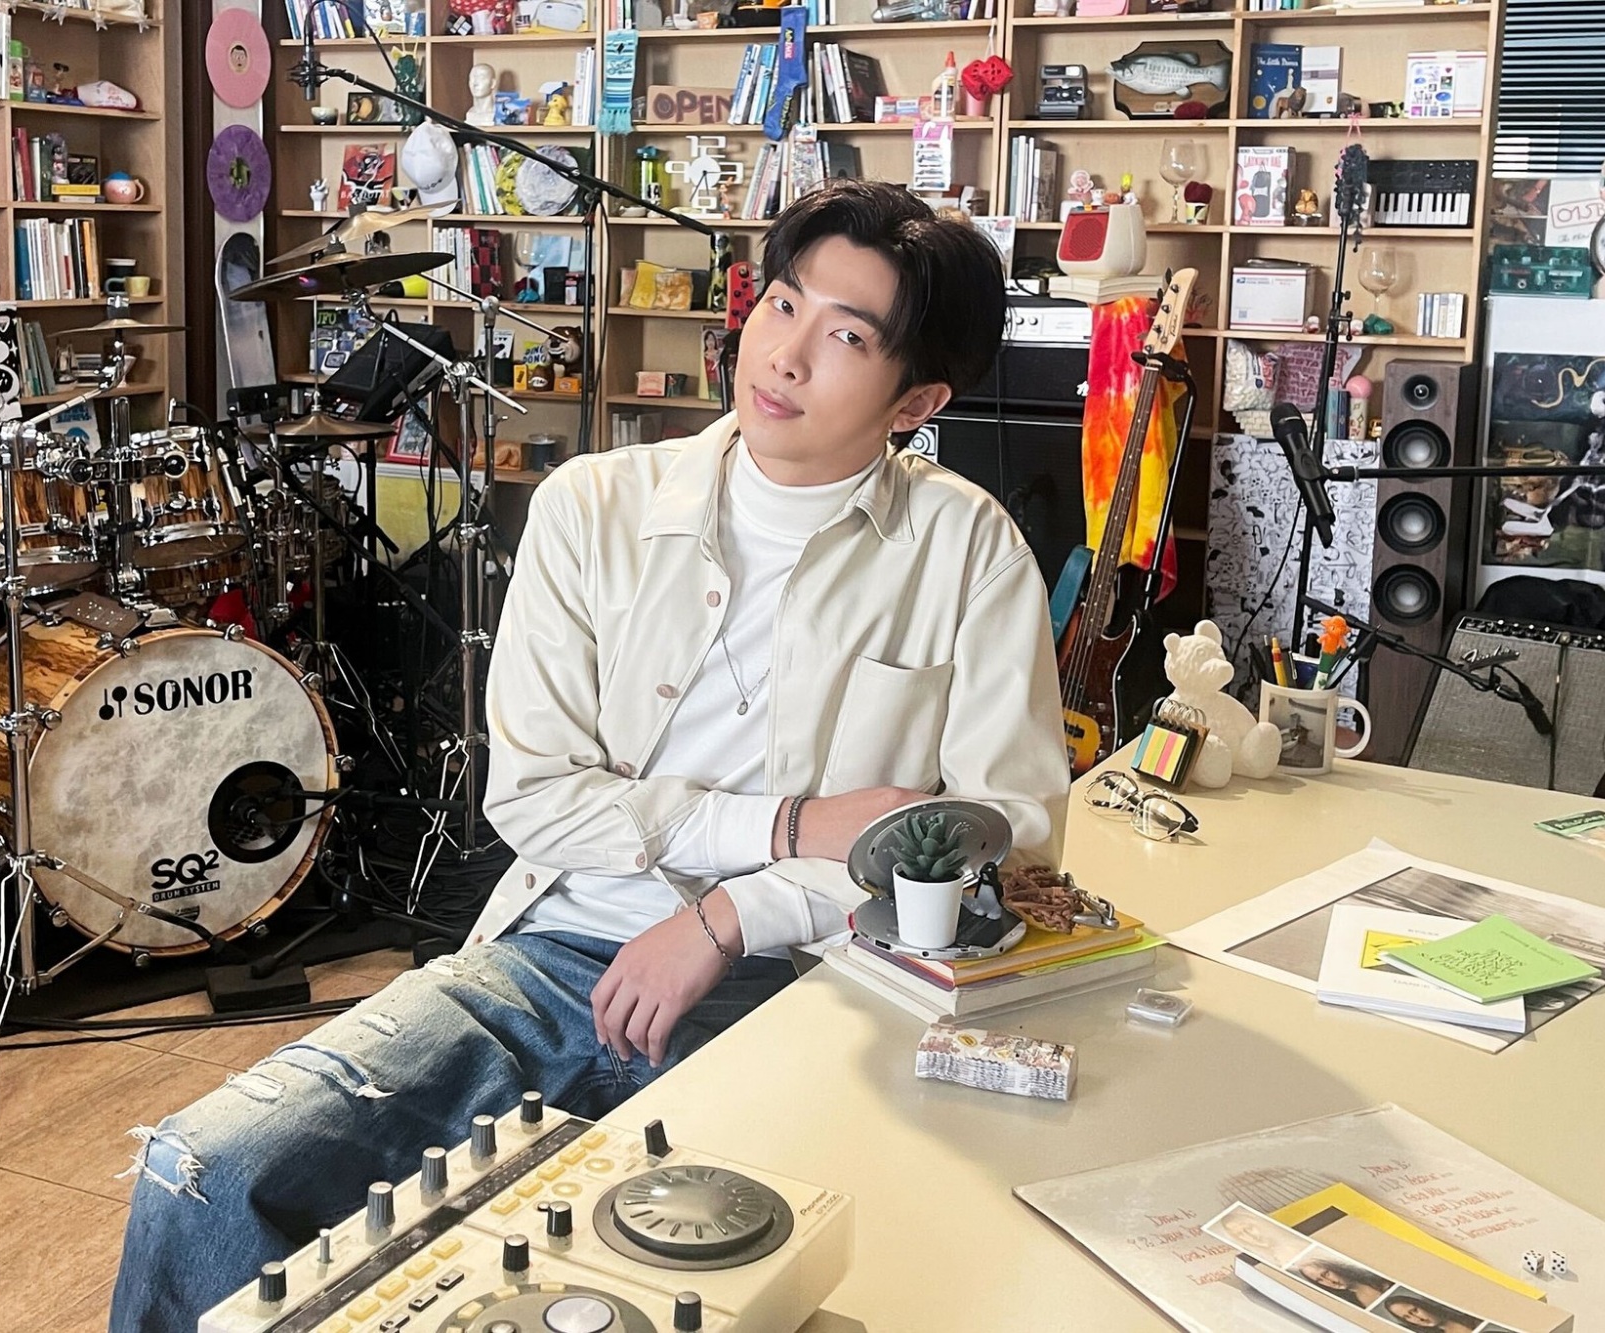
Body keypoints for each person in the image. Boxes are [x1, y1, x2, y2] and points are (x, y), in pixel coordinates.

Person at [108, 180, 1069, 1331]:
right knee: (204, 1172)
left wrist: (734, 913)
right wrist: (782, 825)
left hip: (817, 987)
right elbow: (534, 796)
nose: (783, 354)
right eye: (780, 304)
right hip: (555, 958)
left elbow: (1006, 832)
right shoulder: (590, 507)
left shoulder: (964, 548)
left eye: (846, 337)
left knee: (726, 1289)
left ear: (916, 400)